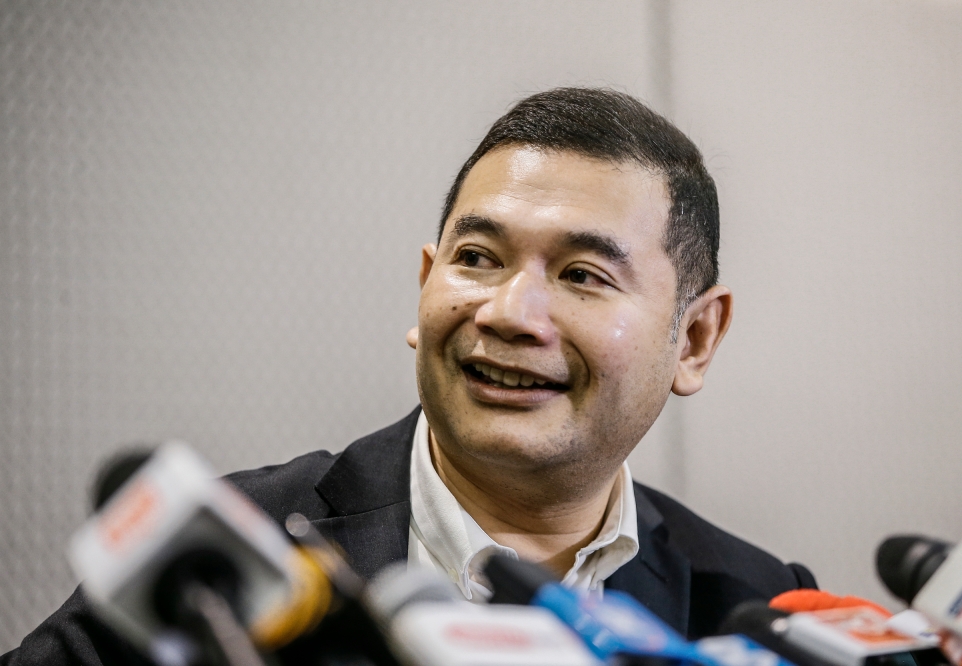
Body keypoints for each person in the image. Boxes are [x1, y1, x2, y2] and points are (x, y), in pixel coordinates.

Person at [1, 87, 815, 665]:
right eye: (476, 259)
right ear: (425, 283)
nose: (507, 311)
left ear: (696, 338)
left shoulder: (756, 605)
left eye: (582, 275)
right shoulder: (218, 560)